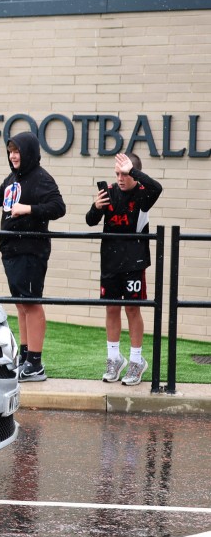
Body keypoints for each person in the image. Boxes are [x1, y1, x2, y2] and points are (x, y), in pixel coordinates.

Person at [0, 131, 66, 382]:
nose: (13, 156)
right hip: (11, 249)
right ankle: (25, 356)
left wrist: (29, 209)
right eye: (10, 152)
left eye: (17, 151)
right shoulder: (14, 177)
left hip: (31, 250)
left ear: (29, 153)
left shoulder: (41, 179)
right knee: (21, 304)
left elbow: (59, 208)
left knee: (32, 303)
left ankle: (35, 363)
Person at [85, 152, 163, 386]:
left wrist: (134, 172)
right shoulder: (109, 192)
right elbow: (90, 220)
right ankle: (114, 358)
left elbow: (157, 187)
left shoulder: (143, 195)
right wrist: (96, 207)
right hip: (110, 261)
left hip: (134, 263)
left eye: (125, 174)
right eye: (117, 173)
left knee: (132, 309)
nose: (120, 178)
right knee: (111, 309)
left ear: (134, 174)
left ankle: (137, 361)